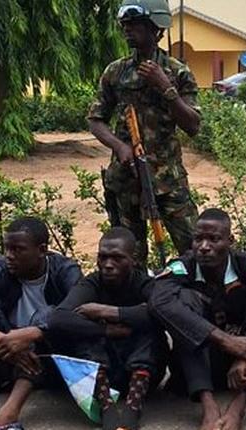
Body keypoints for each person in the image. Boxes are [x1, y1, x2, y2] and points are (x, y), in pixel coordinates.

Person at [149, 208, 246, 430]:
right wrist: (223, 339)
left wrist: (245, 355)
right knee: (184, 301)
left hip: (243, 365)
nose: (204, 247)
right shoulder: (183, 267)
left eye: (214, 239)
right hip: (201, 362)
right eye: (198, 239)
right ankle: (208, 406)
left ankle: (238, 406)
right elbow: (158, 301)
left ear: (230, 241)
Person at [88, 0, 201, 268]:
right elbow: (95, 119)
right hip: (126, 179)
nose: (127, 30)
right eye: (125, 25)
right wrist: (120, 147)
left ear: (156, 29)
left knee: (194, 248)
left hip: (167, 180)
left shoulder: (177, 72)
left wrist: (165, 87)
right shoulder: (115, 71)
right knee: (129, 257)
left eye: (135, 25)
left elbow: (193, 125)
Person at [0, 217, 83, 430]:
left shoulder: (65, 271)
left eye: (18, 249)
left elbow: (76, 310)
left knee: (49, 317)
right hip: (6, 357)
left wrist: (33, 333)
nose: (9, 256)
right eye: (7, 249)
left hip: (49, 362)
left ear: (41, 250)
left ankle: (9, 413)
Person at [48, 227, 168, 430]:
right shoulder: (92, 283)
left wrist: (108, 312)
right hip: (103, 373)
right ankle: (106, 407)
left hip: (143, 373)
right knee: (84, 334)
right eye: (102, 258)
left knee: (149, 331)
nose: (107, 265)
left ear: (134, 259)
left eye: (117, 258)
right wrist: (105, 330)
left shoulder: (145, 283)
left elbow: (164, 311)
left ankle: (133, 407)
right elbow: (58, 318)